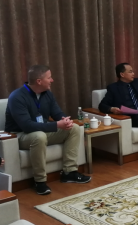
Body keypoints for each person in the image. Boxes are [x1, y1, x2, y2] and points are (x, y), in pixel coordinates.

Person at [5, 65, 91, 195]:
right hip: (19, 135)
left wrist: (65, 120)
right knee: (39, 136)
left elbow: (57, 113)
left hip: (42, 131)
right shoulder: (17, 97)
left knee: (74, 128)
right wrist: (56, 125)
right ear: (39, 81)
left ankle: (69, 172)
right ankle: (39, 181)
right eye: (49, 78)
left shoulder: (47, 94)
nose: (52, 80)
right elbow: (27, 126)